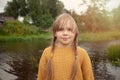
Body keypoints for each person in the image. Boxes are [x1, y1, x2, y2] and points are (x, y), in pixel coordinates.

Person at [37, 13, 94, 80]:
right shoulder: (47, 52)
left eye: (69, 29)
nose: (65, 33)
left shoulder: (82, 53)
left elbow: (89, 78)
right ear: (55, 33)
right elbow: (41, 77)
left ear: (75, 33)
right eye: (61, 29)